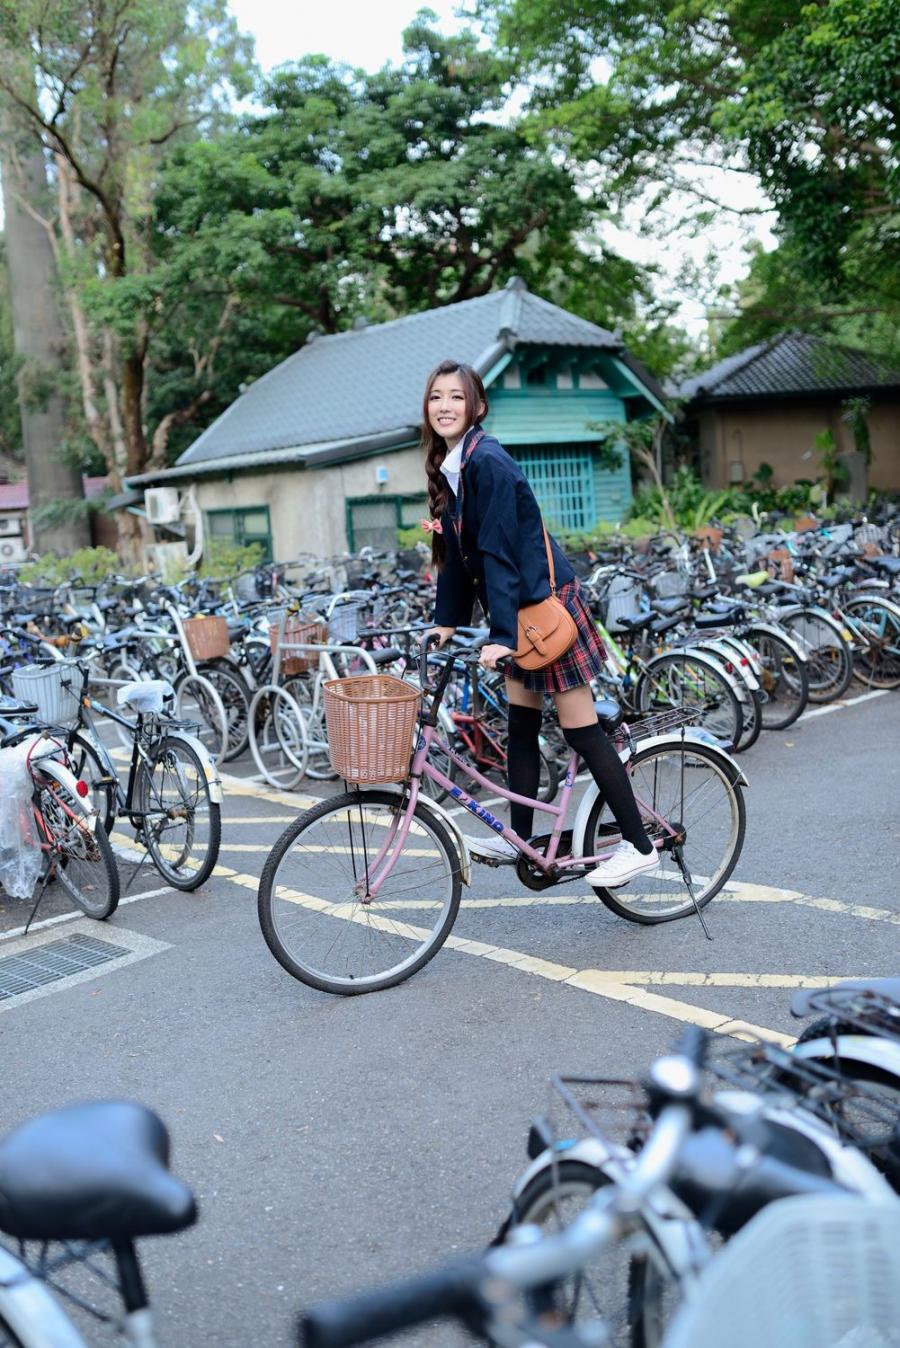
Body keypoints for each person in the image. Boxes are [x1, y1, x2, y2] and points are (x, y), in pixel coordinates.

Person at [422, 358, 659, 888]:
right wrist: (446, 622)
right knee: (522, 726)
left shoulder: (490, 463)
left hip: (545, 613)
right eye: (437, 397)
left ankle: (640, 847)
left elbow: (500, 552)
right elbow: (460, 555)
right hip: (522, 614)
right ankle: (521, 841)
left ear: (478, 407)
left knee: (581, 732)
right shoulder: (454, 467)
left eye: (457, 397)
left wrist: (500, 636)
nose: (445, 406)